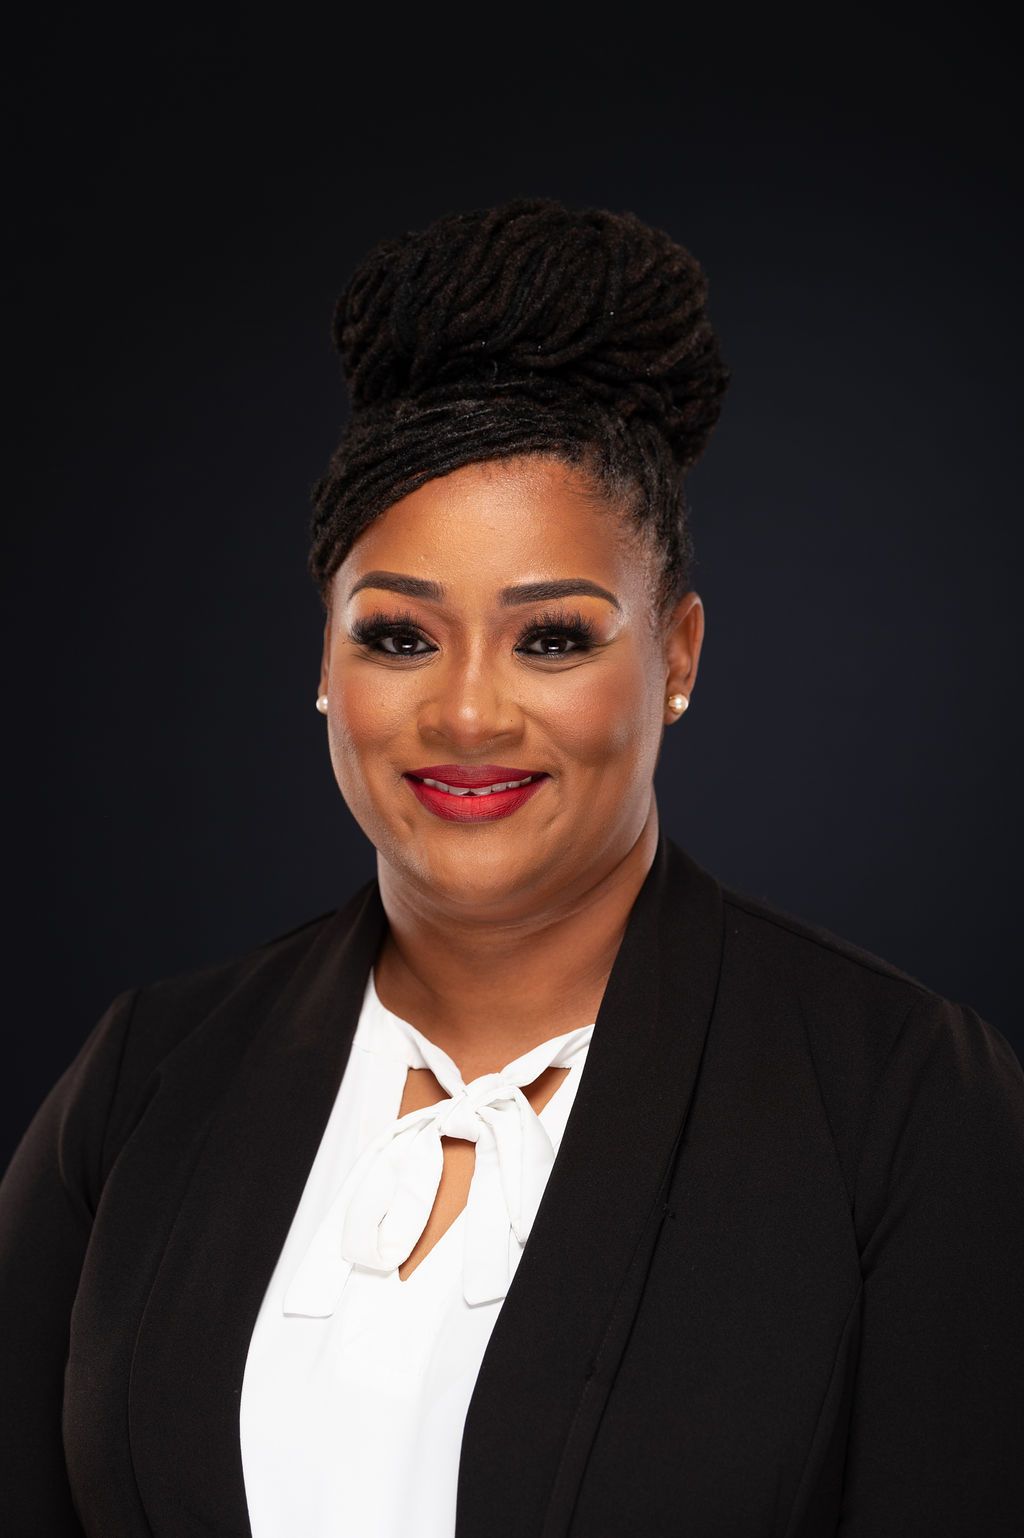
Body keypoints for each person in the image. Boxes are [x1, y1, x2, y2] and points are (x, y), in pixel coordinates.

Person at [1, 197, 1022, 1538]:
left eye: (551, 638)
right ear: (324, 664)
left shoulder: (904, 1102)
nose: (469, 714)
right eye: (400, 637)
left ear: (678, 658)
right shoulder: (146, 1078)